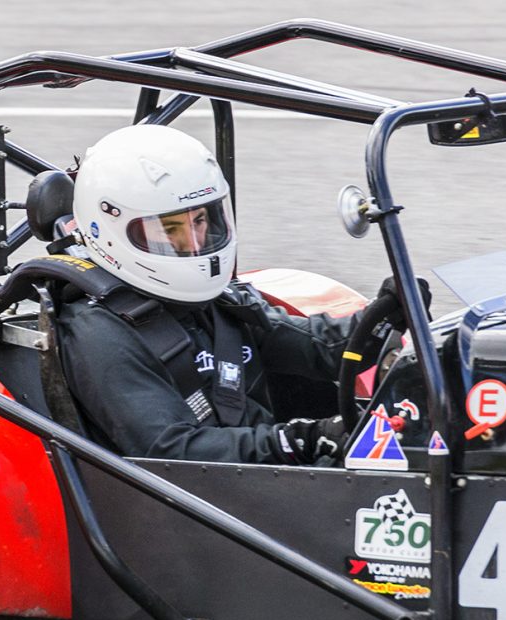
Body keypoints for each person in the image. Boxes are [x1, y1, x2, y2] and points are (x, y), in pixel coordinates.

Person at [55, 124, 379, 466]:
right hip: (198, 501)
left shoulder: (215, 301)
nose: (192, 243)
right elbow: (171, 454)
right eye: (170, 229)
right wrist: (299, 440)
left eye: (199, 221)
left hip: (261, 477)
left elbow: (317, 347)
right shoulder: (100, 333)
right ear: (108, 229)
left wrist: (382, 321)